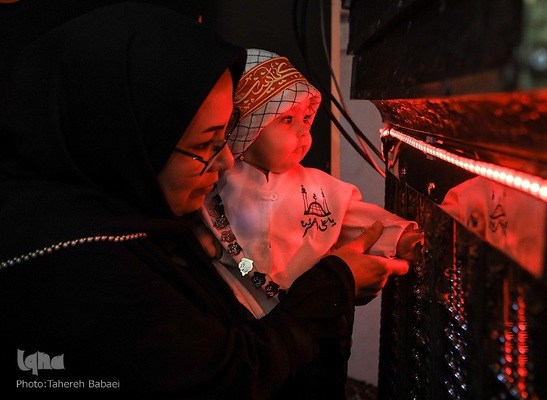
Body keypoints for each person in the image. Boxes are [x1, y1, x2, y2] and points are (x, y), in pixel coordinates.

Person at [0, 3, 409, 399]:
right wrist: (334, 284)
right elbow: (227, 377)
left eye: (225, 138)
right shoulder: (76, 264)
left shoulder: (148, 218)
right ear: (131, 140)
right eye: (206, 145)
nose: (228, 160)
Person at [200, 48, 423, 317]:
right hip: (240, 318)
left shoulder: (319, 189)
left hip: (313, 320)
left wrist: (399, 238)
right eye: (287, 120)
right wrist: (214, 248)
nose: (303, 131)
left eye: (306, 118)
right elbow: (216, 244)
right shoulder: (214, 186)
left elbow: (360, 222)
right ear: (247, 130)